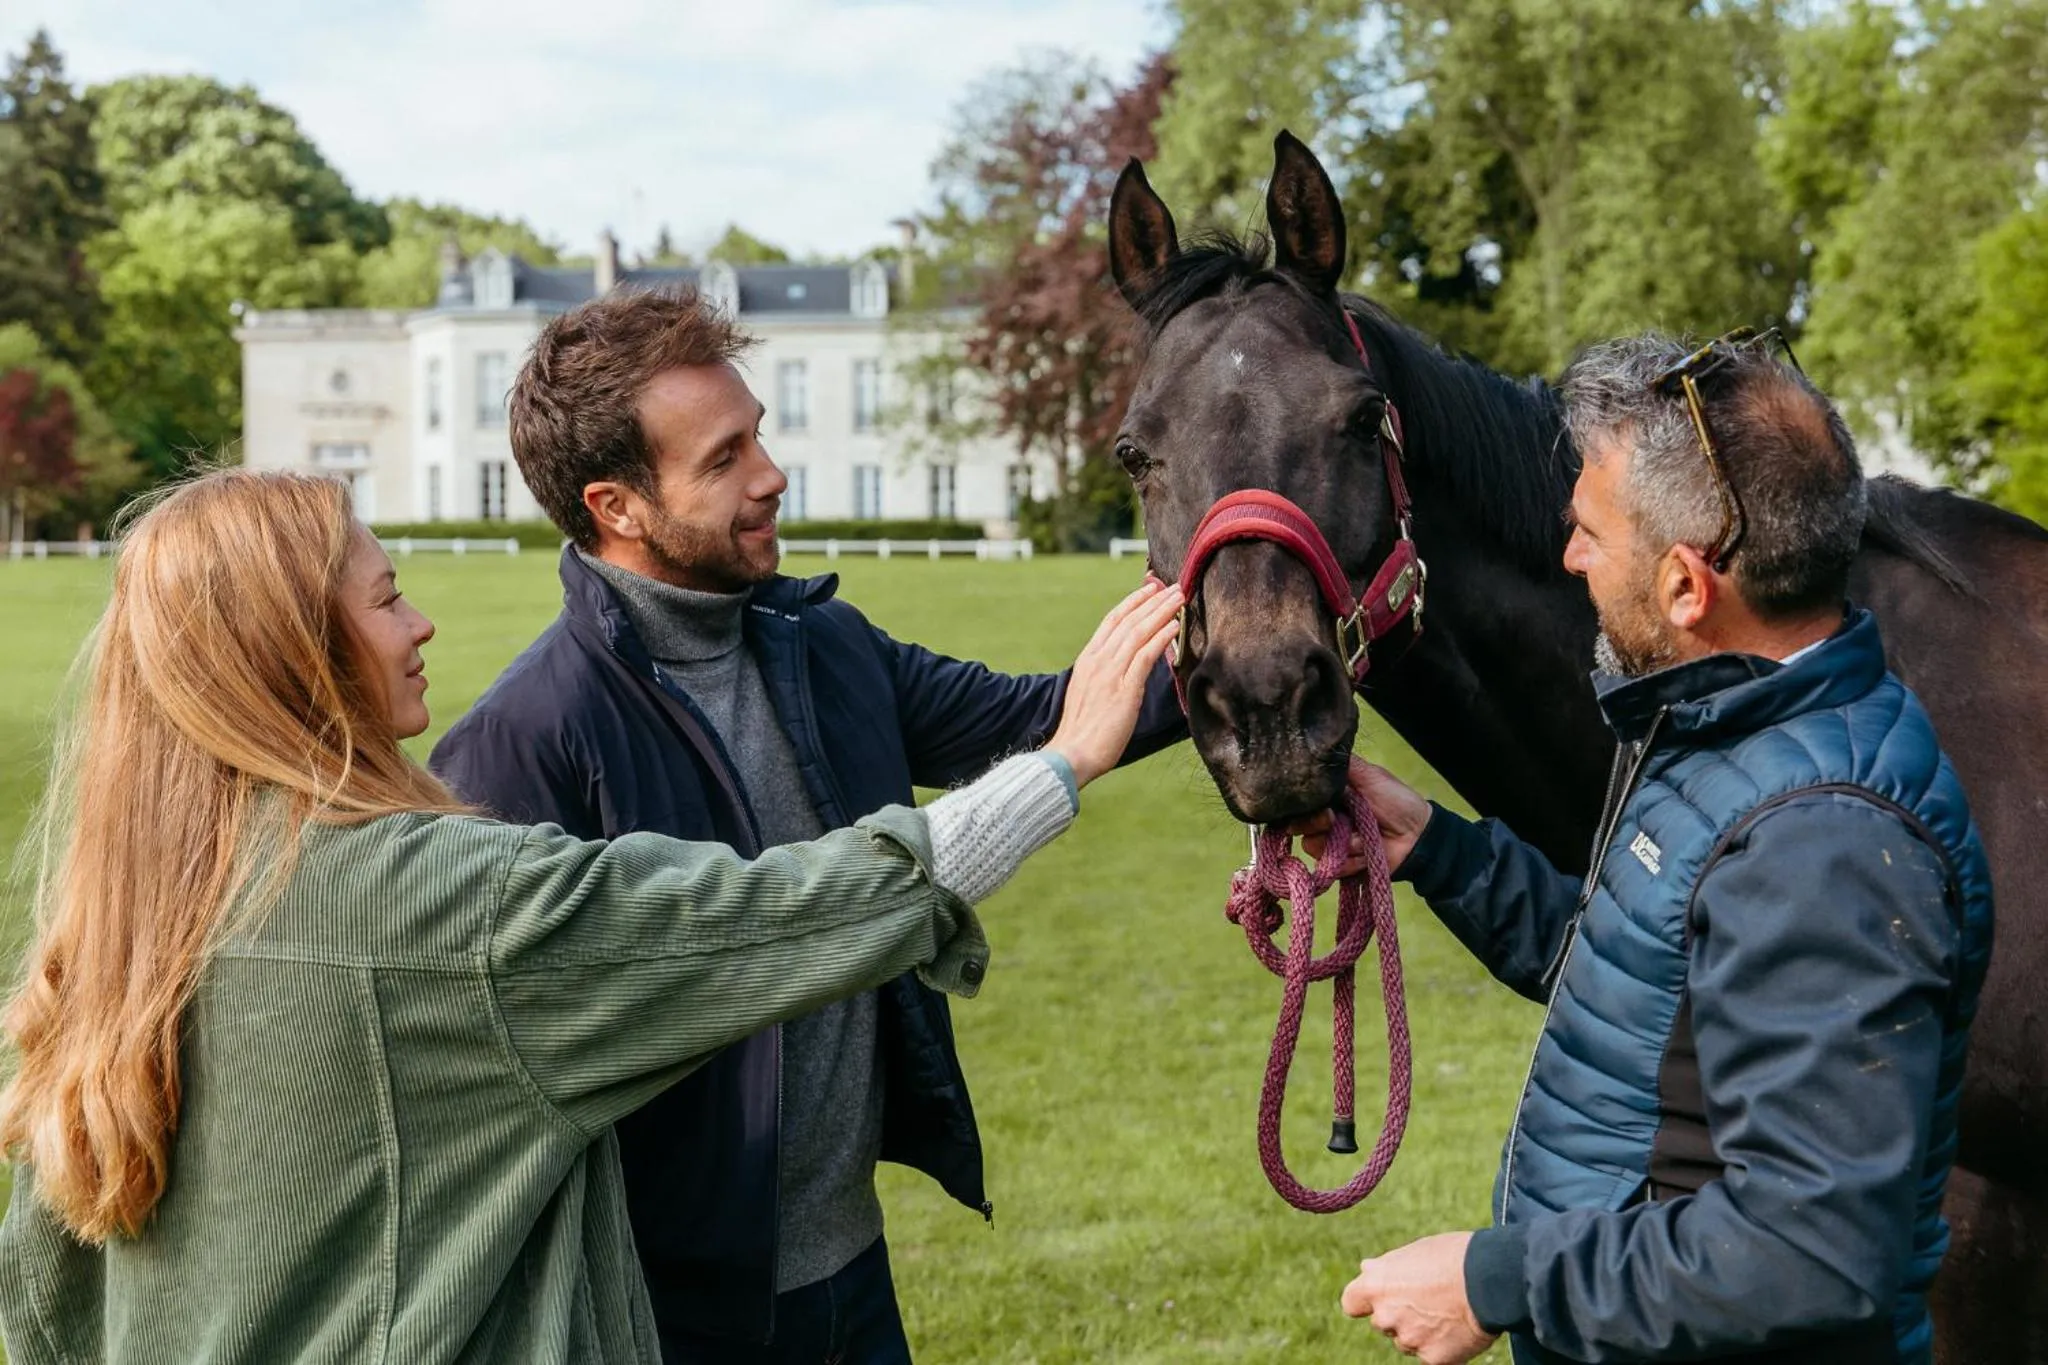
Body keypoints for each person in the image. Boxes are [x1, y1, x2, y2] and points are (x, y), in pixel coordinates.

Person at [0, 468, 1184, 1365]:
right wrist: (1063, 763)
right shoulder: (435, 900)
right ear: (294, 657)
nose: (421, 628)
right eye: (387, 598)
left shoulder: (121, 922)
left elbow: (43, 1300)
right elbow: (776, 917)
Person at [429, 286, 1184, 1363]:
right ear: (618, 507)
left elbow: (1048, 718)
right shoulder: (521, 744)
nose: (770, 475)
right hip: (666, 1318)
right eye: (723, 457)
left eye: (760, 437)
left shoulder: (817, 642)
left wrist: (1252, 639)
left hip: (852, 1274)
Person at [1330, 332, 1993, 1364]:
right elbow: (1647, 990)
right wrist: (1431, 847)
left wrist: (1495, 1278)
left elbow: (1811, 1253)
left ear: (1687, 587)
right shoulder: (1731, 731)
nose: (1568, 557)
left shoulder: (1822, 841)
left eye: (1589, 529)